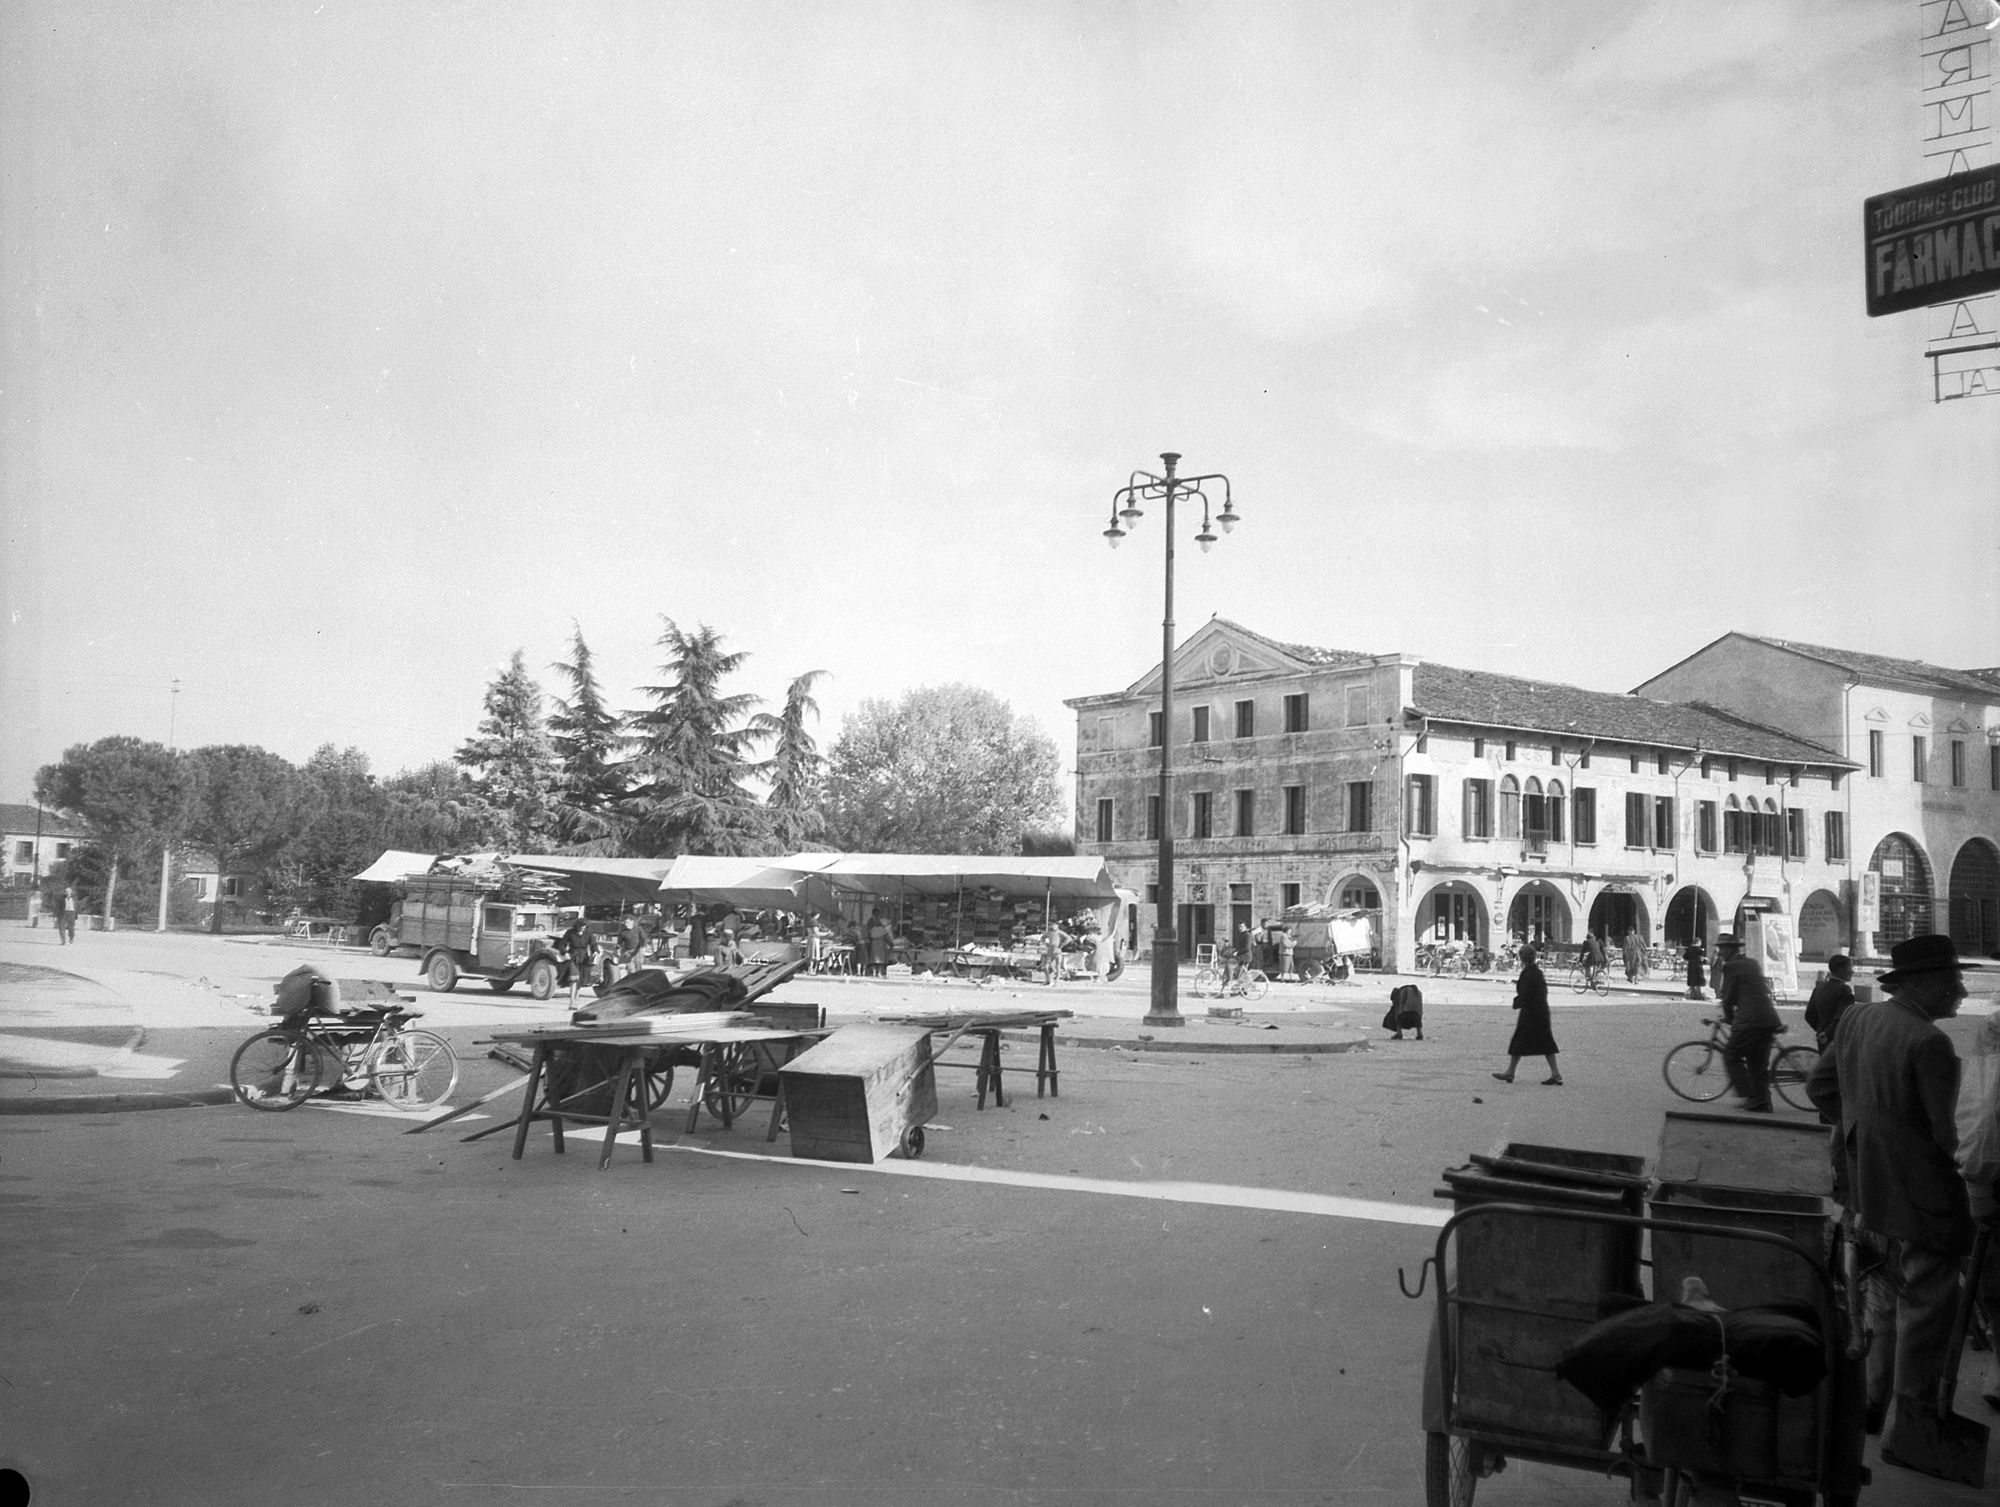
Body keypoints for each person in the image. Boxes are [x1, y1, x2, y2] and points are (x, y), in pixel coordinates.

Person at [1806, 933, 1974, 1440]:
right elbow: (1946, 1138)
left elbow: (1820, 1087)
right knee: (1925, 1306)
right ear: (1922, 986)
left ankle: (1873, 1402)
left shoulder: (1858, 1018)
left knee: (1882, 1298)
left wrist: (1863, 1134)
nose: (1962, 991)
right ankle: (1911, 1420)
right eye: (1953, 981)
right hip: (1923, 1196)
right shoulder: (1931, 1043)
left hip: (1866, 1186)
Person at [1714, 933, 1779, 1112]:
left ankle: (1750, 1094)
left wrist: (1729, 1018)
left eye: (1722, 949)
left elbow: (1727, 998)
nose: (1720, 953)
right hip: (1768, 1017)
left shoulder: (1731, 966)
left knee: (1731, 1055)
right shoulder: (1752, 963)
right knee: (1757, 1062)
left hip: (1749, 1020)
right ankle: (1762, 1101)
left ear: (1730, 949)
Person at [1493, 943, 1561, 1085]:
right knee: (1546, 1042)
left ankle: (1510, 1072)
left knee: (1519, 1041)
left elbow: (1526, 995)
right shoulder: (1537, 972)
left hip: (1531, 1013)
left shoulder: (1527, 974)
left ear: (1522, 958)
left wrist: (1516, 1002)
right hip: (1542, 1011)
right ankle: (1555, 1072)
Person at [1803, 954, 1857, 1051]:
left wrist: (1821, 1030)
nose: (1852, 971)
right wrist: (1828, 1033)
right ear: (1841, 970)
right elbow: (1842, 1016)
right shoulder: (1844, 990)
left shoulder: (1818, 989)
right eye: (1850, 968)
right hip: (1840, 1039)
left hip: (1822, 1039)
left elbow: (1809, 1015)